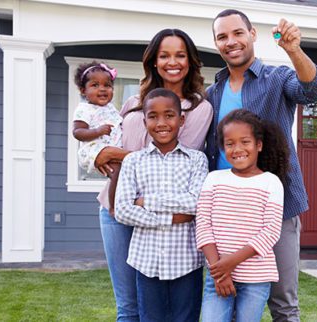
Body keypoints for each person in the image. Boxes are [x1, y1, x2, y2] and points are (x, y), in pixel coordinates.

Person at [205, 9, 317, 321]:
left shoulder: (277, 79)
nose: (231, 42)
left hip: (275, 210)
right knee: (226, 302)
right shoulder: (212, 93)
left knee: (283, 305)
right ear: (217, 43)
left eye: (237, 33)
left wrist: (294, 49)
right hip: (225, 214)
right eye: (222, 37)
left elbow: (313, 91)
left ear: (252, 35)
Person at [94, 28, 213, 322]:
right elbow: (113, 146)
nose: (172, 62)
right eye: (164, 55)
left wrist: (118, 156)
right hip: (116, 206)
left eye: (180, 55)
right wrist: (101, 152)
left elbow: (175, 156)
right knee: (128, 307)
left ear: (190, 62)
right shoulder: (133, 102)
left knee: (164, 307)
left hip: (160, 208)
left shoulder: (198, 108)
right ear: (154, 61)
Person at [115, 88, 207, 321]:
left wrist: (147, 201)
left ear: (181, 119)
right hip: (146, 261)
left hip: (186, 261)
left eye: (169, 115)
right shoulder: (133, 161)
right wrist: (172, 217)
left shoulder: (197, 159)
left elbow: (195, 203)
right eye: (153, 116)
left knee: (186, 318)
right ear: (144, 121)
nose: (161, 122)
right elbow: (123, 210)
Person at [197, 109, 288, 321]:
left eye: (245, 142)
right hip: (217, 275)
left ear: (259, 145)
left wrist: (230, 264)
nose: (237, 149)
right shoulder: (213, 179)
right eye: (230, 144)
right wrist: (219, 270)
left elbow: (271, 232)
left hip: (256, 278)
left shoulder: (271, 182)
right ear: (222, 148)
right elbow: (203, 225)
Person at [72, 61, 122, 215]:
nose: (102, 89)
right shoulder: (84, 109)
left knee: (121, 173)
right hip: (93, 149)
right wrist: (98, 131)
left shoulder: (110, 108)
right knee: (117, 172)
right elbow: (78, 132)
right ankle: (113, 206)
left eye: (107, 85)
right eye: (95, 85)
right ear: (83, 90)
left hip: (108, 147)